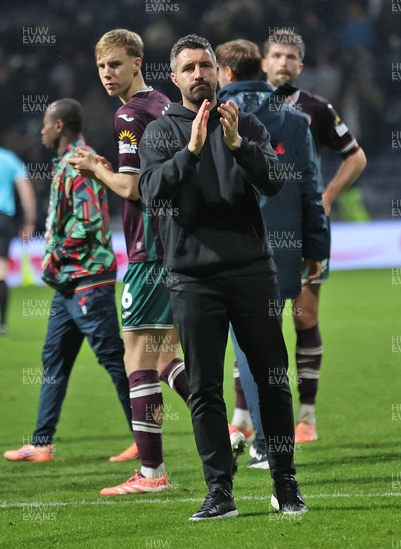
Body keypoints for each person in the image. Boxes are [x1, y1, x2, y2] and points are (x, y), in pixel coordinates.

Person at [139, 34, 307, 520]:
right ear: (174, 78)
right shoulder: (160, 133)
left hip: (252, 270)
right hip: (193, 277)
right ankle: (220, 492)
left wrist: (236, 145)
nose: (198, 74)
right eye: (188, 67)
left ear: (218, 72)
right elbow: (151, 194)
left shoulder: (245, 122)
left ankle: (284, 481)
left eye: (205, 66)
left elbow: (275, 180)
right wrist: (190, 151)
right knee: (206, 388)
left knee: (273, 380)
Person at [69, 29, 191, 495]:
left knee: (137, 358)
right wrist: (110, 166)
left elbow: (134, 187)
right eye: (101, 67)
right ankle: (226, 428)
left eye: (116, 65)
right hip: (176, 243)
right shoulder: (162, 103)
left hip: (149, 248)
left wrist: (95, 170)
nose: (107, 74)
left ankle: (151, 474)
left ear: (137, 62)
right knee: (164, 357)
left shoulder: (127, 113)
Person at [216, 39, 329, 468]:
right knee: (268, 341)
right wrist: (315, 248)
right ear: (259, 69)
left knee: (246, 348)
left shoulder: (211, 115)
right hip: (283, 247)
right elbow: (310, 190)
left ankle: (263, 440)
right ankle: (267, 433)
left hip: (228, 247)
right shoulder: (295, 119)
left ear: (225, 73)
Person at [4, 99, 132, 462]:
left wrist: (56, 251)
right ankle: (42, 444)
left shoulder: (80, 162)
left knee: (112, 359)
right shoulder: (67, 161)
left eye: (45, 123)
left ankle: (145, 438)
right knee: (55, 358)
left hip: (88, 277)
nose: (41, 130)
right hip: (69, 283)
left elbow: (89, 220)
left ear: (59, 126)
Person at [261, 29, 367, 443]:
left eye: (291, 57)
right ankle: (244, 417)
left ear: (300, 66)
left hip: (304, 227)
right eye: (276, 55)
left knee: (303, 316)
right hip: (262, 228)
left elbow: (356, 156)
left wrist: (326, 197)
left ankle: (306, 417)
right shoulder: (246, 105)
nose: (283, 62)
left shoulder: (316, 109)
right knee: (256, 320)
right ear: (264, 61)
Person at [0, 125, 36, 335]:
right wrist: (29, 221)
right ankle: (2, 323)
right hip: (2, 219)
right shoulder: (8, 158)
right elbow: (26, 190)